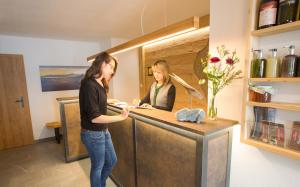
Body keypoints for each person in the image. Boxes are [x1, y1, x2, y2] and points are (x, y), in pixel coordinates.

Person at [79, 52, 129, 187]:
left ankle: (100, 184)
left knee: (112, 160)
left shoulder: (100, 83)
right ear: (102, 64)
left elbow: (97, 104)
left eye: (114, 69)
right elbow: (95, 117)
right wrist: (120, 117)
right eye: (111, 67)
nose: (112, 72)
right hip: (92, 133)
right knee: (98, 166)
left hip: (102, 131)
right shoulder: (88, 84)